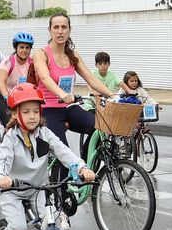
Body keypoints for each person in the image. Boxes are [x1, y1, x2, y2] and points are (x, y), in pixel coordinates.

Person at [0, 83, 96, 230]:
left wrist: (81, 167)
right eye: (26, 111)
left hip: (38, 189)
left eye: (36, 111)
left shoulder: (44, 133)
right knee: (18, 227)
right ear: (14, 114)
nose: (32, 116)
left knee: (53, 222)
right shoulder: (10, 137)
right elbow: (2, 161)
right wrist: (2, 177)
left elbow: (64, 152)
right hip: (12, 191)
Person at [31, 12, 114, 150]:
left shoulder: (73, 55)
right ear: (49, 30)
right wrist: (62, 94)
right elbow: (45, 78)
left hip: (69, 107)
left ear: (69, 30)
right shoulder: (42, 54)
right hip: (47, 110)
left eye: (64, 27)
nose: (60, 31)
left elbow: (91, 78)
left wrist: (112, 95)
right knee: (63, 153)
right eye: (56, 27)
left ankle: (86, 165)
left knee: (100, 129)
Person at [0, 31, 37, 127]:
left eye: (27, 48)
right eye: (21, 47)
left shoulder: (32, 63)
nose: (25, 50)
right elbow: (1, 81)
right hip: (5, 96)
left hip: (23, 97)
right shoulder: (8, 62)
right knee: (11, 125)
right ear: (16, 48)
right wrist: (6, 97)